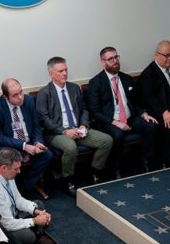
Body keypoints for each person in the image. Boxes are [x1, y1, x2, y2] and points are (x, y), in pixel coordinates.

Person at [36, 57, 113, 195]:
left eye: (66, 70)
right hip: (56, 133)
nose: (65, 73)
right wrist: (65, 131)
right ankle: (68, 180)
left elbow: (84, 109)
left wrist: (84, 125)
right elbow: (44, 120)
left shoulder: (74, 88)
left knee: (106, 140)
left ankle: (93, 171)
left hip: (78, 129)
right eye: (60, 71)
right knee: (70, 147)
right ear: (51, 74)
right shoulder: (44, 93)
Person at [86, 47, 158, 177]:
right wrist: (115, 122)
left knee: (151, 126)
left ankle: (145, 161)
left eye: (116, 57)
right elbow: (95, 112)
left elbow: (135, 102)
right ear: (103, 62)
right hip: (107, 122)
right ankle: (117, 168)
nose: (115, 61)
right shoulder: (96, 82)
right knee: (118, 134)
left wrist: (143, 114)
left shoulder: (126, 79)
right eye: (110, 59)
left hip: (129, 119)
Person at [0, 79, 52, 192]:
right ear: (6, 97)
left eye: (21, 92)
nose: (20, 97)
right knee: (8, 158)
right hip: (9, 145)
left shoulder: (28, 100)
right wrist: (23, 145)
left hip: (29, 142)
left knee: (46, 154)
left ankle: (25, 186)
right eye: (15, 95)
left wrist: (37, 142)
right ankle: (12, 189)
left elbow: (36, 126)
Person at [0, 149, 51, 244]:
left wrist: (36, 211)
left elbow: (18, 199)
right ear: (4, 168)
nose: (19, 171)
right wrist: (34, 221)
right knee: (29, 236)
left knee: (39, 205)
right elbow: (7, 224)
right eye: (16, 169)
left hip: (10, 214)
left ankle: (38, 232)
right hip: (0, 228)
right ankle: (38, 233)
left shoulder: (7, 175)